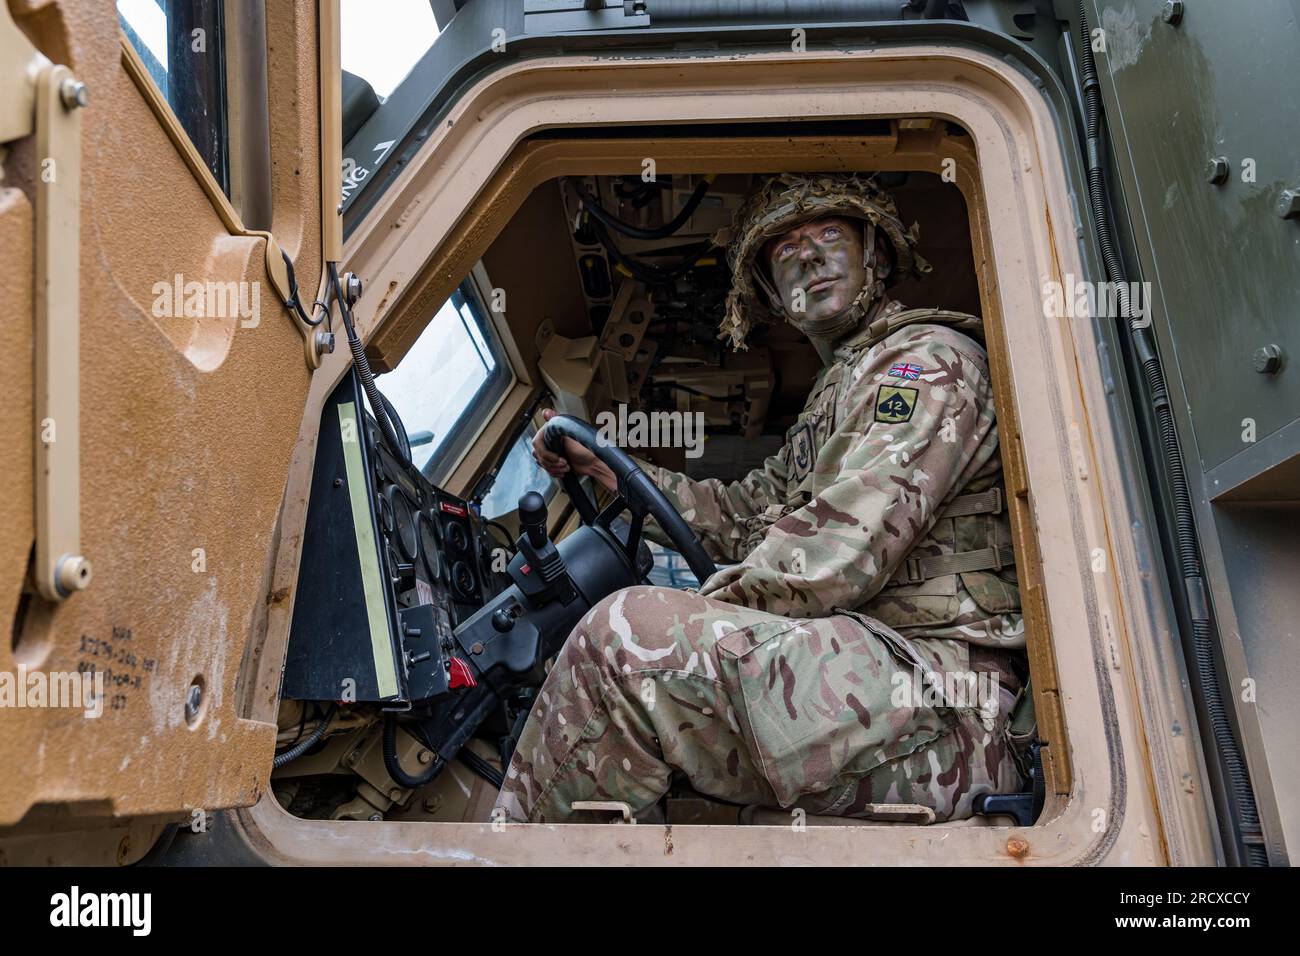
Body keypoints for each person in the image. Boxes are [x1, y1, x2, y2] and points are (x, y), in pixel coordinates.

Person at [494, 172, 1026, 824]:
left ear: (877, 256)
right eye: (784, 250)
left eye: (830, 233)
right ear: (774, 295)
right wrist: (607, 468)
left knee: (626, 645)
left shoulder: (923, 364)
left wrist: (694, 611)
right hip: (881, 677)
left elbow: (840, 553)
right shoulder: (836, 396)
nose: (808, 254)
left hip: (943, 697)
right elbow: (744, 517)